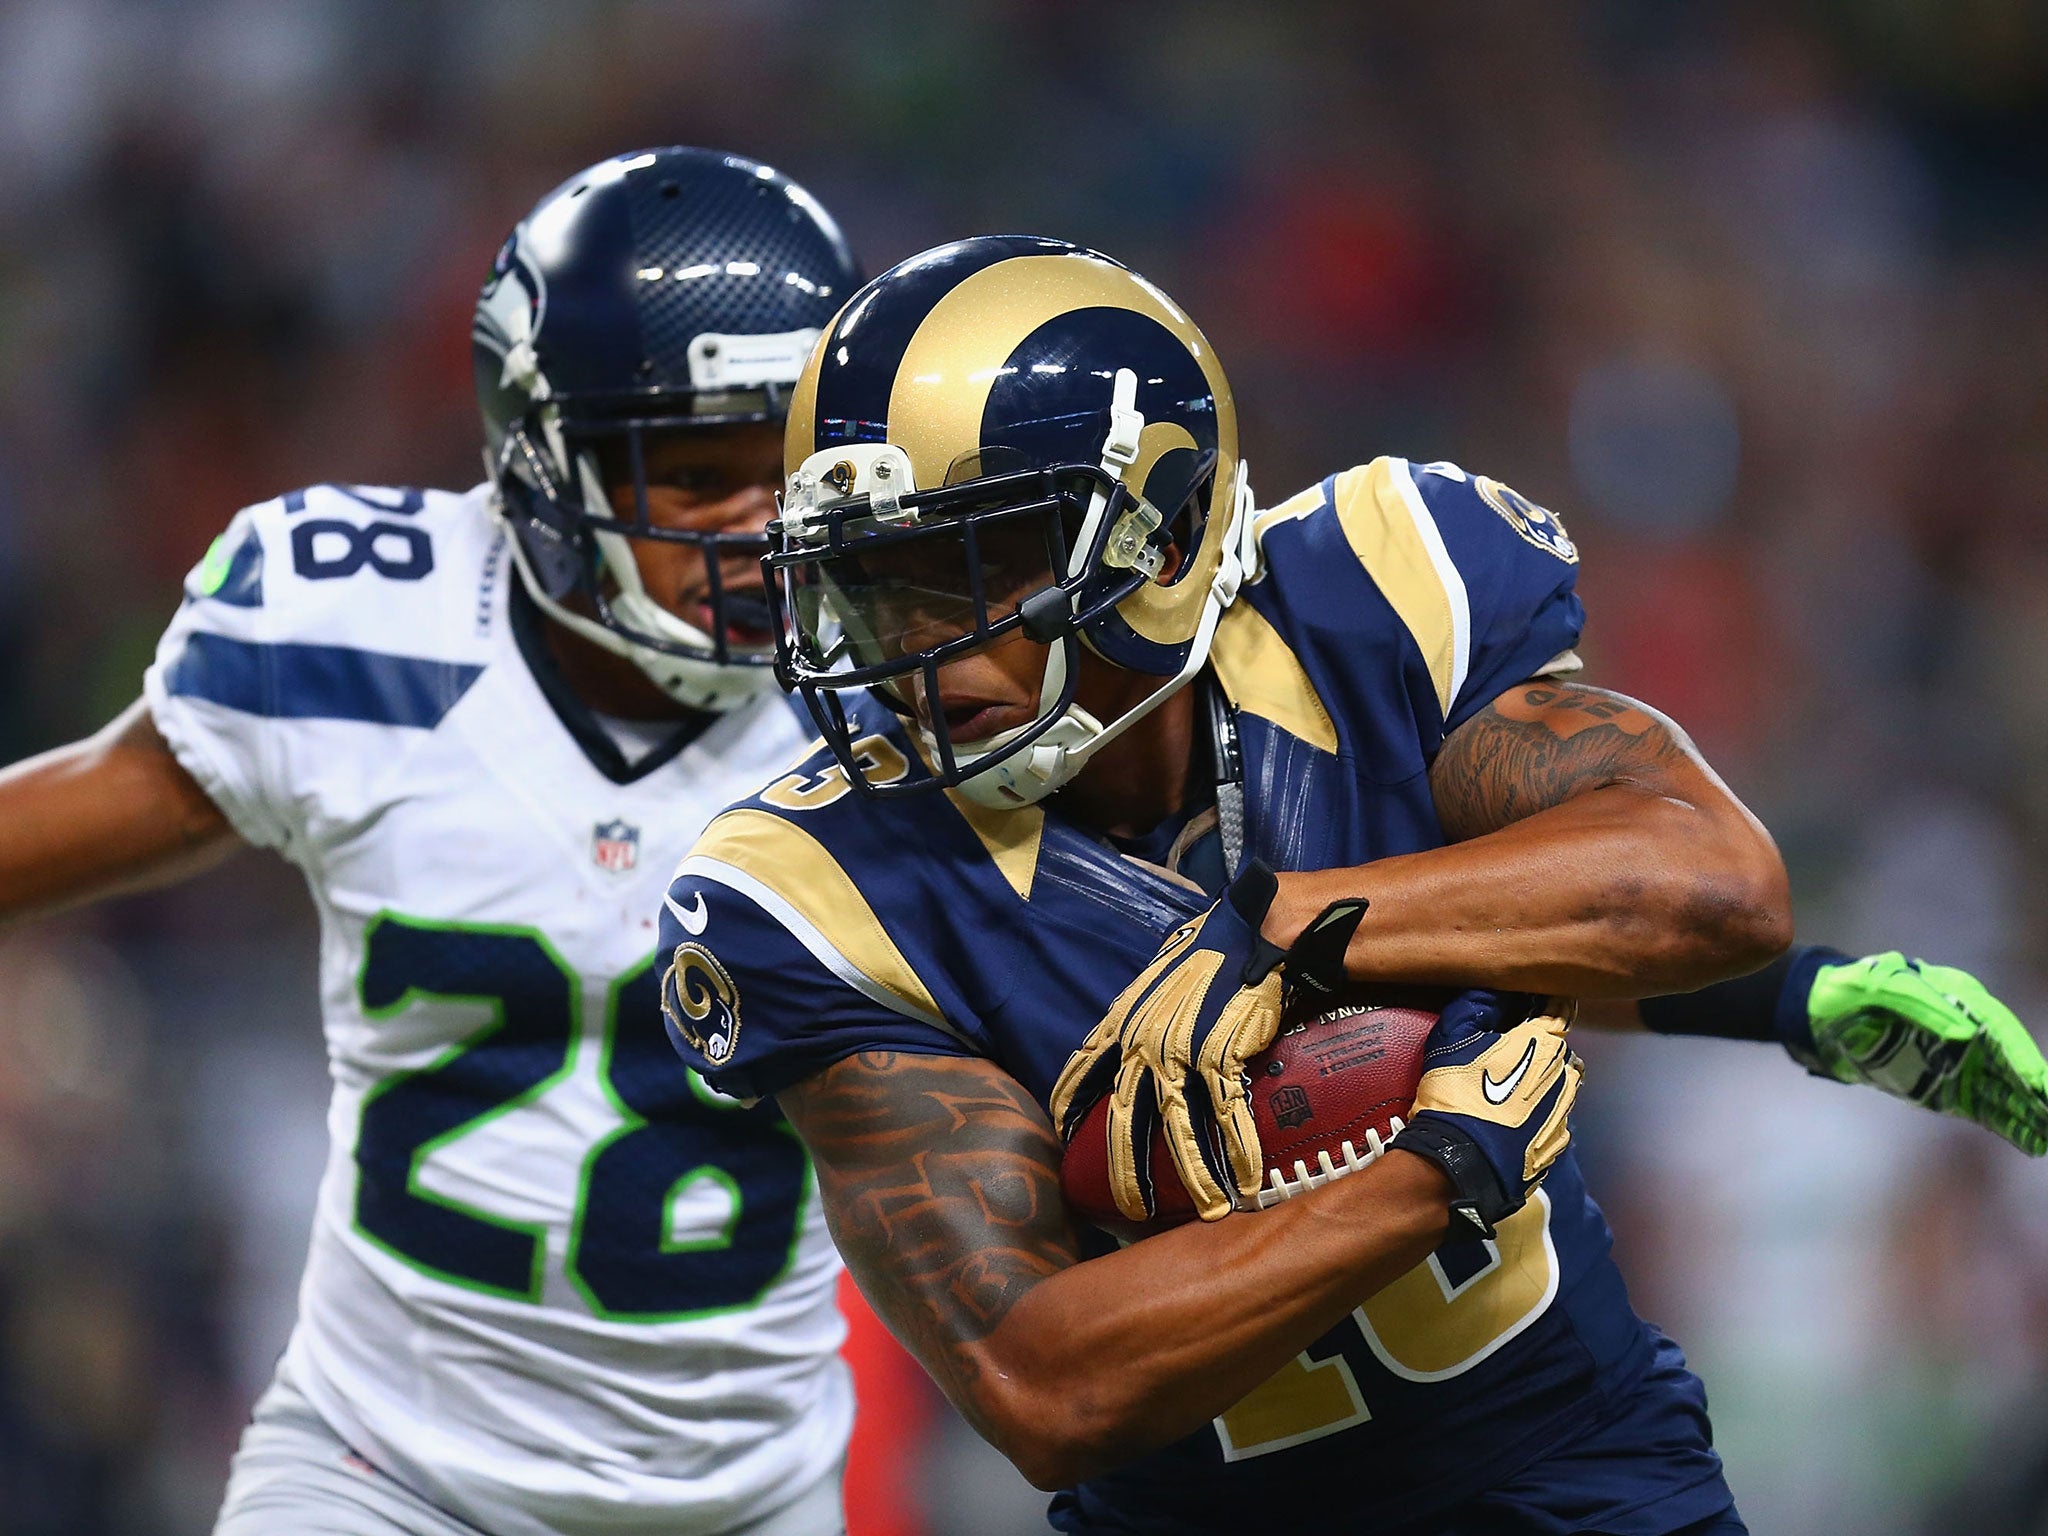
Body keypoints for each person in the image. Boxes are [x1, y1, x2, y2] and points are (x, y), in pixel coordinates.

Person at [657, 234, 2048, 1536]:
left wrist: (1293, 936)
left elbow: (1712, 878)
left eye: (967, 571)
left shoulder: (1364, 595)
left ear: (1158, 528)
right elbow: (1042, 1387)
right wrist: (1429, 1172)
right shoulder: (812, 888)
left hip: (1576, 1474)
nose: (915, 647)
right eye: (874, 586)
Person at [0, 147, 865, 1536]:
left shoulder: (919, 702)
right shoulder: (359, 634)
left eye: (795, 466)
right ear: (543, 458)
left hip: (743, 1500)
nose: (763, 530)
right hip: (379, 1476)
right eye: (702, 471)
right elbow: (70, 822)